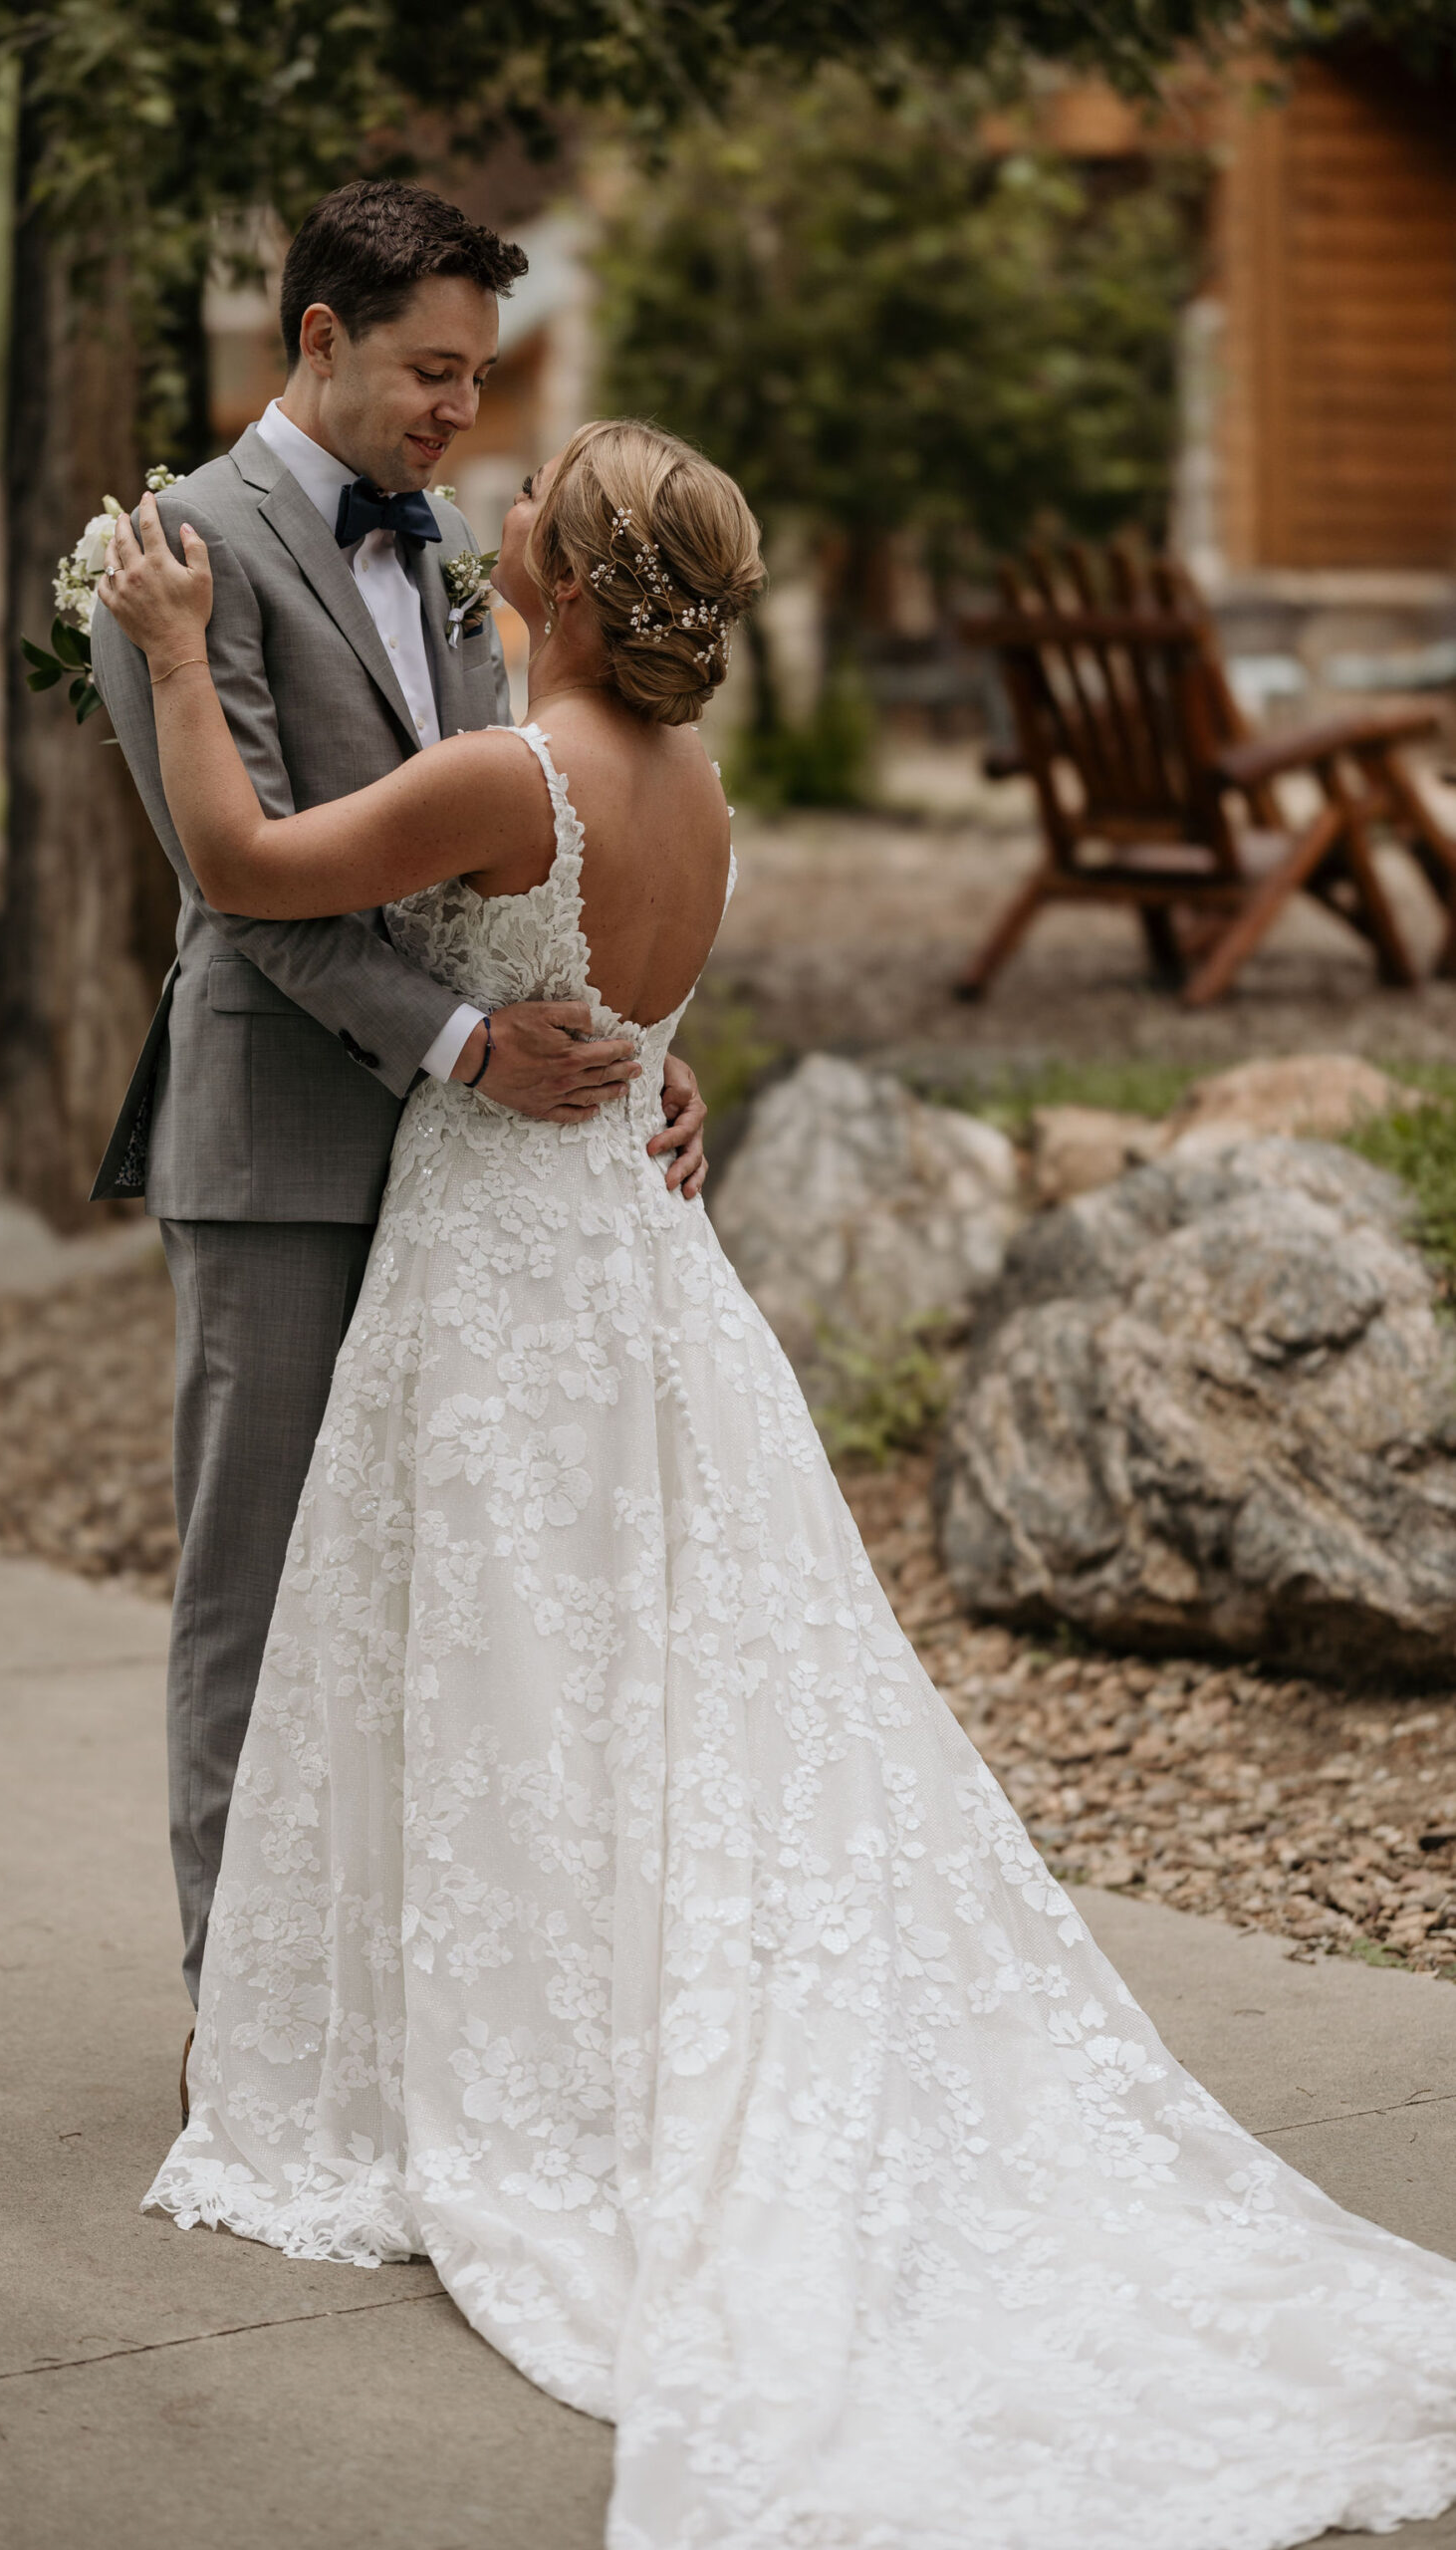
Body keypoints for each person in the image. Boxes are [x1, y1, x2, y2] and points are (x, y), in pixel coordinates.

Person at [99, 419, 1456, 2550]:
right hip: (634, 1264)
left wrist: (176, 648)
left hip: (497, 1262)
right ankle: (605, 2012)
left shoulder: (503, 778)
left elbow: (247, 867)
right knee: (652, 1671)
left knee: (507, 1659)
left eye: (531, 493)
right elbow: (624, 1007)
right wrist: (649, 1065)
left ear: (554, 573)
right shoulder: (694, 791)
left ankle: (529, 2068)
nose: (501, 499)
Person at [89, 182, 708, 2019]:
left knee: (438, 1600)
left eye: (481, 375)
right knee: (259, 1602)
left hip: (483, 1180)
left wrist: (641, 1064)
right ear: (320, 340)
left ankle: (404, 2017)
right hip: (285, 1149)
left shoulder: (446, 539)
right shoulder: (172, 557)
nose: (460, 411)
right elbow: (242, 884)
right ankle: (247, 2021)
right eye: (432, 371)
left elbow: (535, 848)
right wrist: (463, 1048)